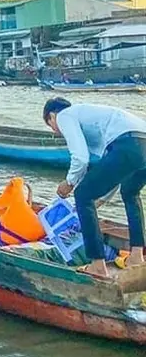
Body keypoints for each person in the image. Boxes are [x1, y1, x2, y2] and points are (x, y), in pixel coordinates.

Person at [43, 98, 146, 277]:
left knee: (82, 194)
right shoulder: (91, 116)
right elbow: (112, 165)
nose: (55, 131)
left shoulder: (65, 115)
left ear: (52, 115)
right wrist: (103, 199)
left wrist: (69, 183)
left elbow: (80, 158)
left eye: (50, 124)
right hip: (141, 141)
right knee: (130, 192)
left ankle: (97, 265)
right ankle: (137, 256)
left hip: (128, 143)